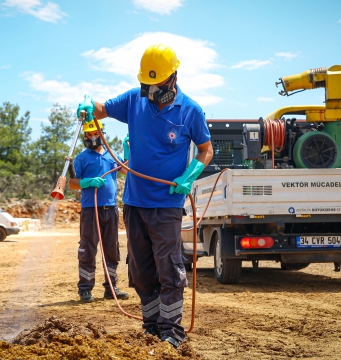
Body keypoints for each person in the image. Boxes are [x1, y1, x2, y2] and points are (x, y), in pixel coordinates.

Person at [76, 44, 214, 348]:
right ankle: (151, 326)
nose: (151, 91)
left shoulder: (190, 110)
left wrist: (189, 175)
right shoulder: (134, 100)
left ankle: (172, 332)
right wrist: (88, 104)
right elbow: (102, 109)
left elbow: (206, 150)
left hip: (166, 204)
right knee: (140, 269)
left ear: (173, 78)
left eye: (157, 85)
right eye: (146, 85)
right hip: (135, 203)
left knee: (169, 268)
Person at [69, 119, 130, 303]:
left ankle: (111, 288)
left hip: (110, 209)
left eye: (96, 133)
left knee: (111, 250)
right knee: (88, 249)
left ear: (101, 134)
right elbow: (72, 183)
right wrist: (88, 182)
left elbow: (126, 170)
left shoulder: (111, 155)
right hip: (90, 210)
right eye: (89, 135)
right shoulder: (81, 158)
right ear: (85, 137)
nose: (93, 137)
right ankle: (85, 289)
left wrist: (127, 150)